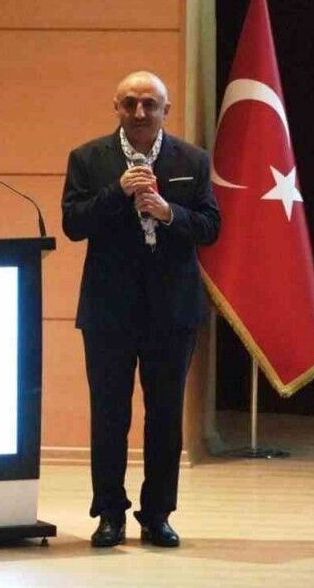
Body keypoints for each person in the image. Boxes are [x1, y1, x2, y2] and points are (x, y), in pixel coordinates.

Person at [61, 71, 221, 548]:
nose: (139, 112)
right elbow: (73, 224)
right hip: (109, 311)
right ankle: (110, 514)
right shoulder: (89, 159)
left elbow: (211, 227)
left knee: (165, 416)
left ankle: (158, 515)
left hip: (172, 311)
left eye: (150, 104)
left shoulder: (192, 160)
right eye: (129, 103)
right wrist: (118, 192)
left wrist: (169, 213)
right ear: (116, 107)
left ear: (165, 111)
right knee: (109, 415)